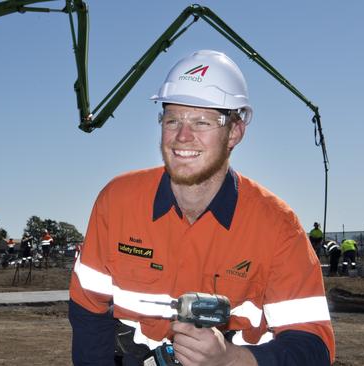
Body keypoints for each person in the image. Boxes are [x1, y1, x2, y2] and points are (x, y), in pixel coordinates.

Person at [68, 50, 335, 366]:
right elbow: (87, 311)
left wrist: (232, 359)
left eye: (202, 121)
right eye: (173, 120)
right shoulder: (117, 202)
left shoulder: (277, 226)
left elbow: (313, 347)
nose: (183, 136)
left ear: (234, 132)